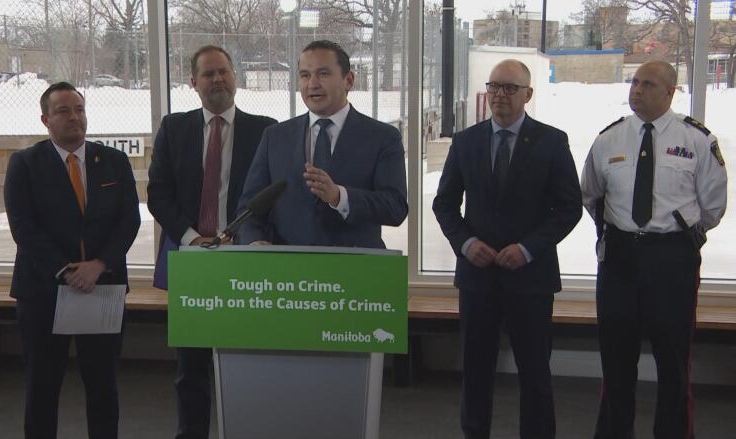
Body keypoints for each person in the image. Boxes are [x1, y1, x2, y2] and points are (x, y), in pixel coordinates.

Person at [432, 59, 582, 439]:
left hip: (530, 278)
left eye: (510, 88)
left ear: (527, 95)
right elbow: (445, 204)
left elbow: (568, 208)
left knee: (534, 373)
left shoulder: (552, 141)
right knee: (476, 371)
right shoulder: (467, 141)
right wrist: (466, 244)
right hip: (477, 278)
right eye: (495, 86)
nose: (500, 95)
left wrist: (528, 249)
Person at [581, 60, 727, 439]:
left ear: (670, 92)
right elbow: (591, 194)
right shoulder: (609, 139)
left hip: (671, 260)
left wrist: (678, 238)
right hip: (620, 260)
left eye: (648, 84)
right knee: (616, 361)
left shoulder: (696, 140)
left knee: (673, 361)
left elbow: (712, 206)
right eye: (634, 82)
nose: (637, 90)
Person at [146, 45, 276, 439]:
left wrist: (247, 235)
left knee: (247, 361)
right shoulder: (174, 128)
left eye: (223, 72)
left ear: (235, 77)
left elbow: (272, 194)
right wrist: (191, 238)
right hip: (191, 259)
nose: (217, 79)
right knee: (191, 366)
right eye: (208, 74)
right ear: (193, 82)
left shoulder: (266, 130)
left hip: (245, 257)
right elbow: (158, 193)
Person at [4, 81, 141, 439]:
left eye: (79, 109)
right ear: (45, 119)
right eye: (63, 111)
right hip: (43, 293)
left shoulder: (113, 161)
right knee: (42, 388)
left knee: (103, 387)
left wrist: (100, 265)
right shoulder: (24, 164)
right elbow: (23, 228)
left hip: (102, 288)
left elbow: (130, 220)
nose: (74, 118)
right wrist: (66, 272)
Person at [236, 40, 407, 247]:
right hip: (287, 273)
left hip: (355, 271)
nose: (313, 84)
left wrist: (339, 196)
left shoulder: (383, 137)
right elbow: (249, 209)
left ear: (349, 80)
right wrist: (255, 240)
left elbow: (395, 207)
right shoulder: (275, 137)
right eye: (305, 75)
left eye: (323, 74)